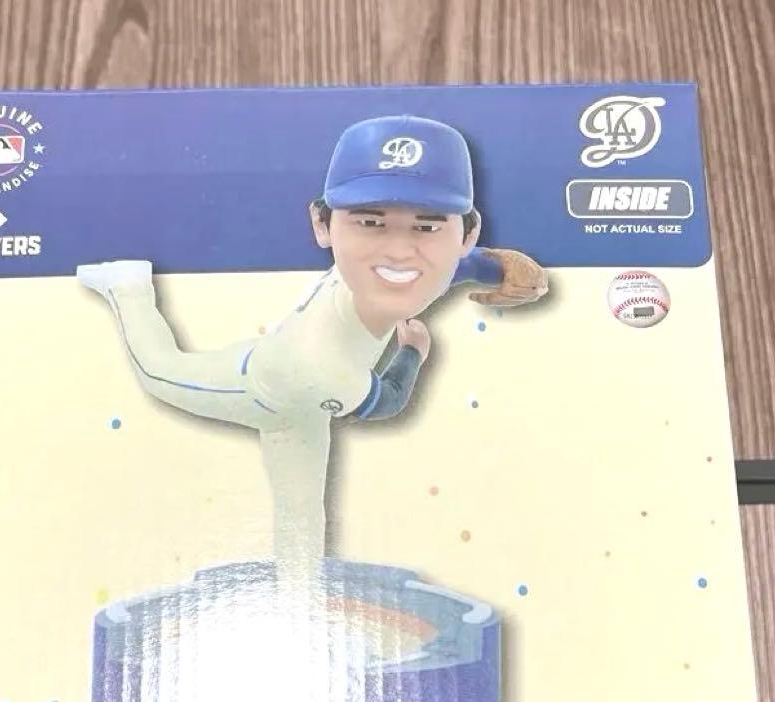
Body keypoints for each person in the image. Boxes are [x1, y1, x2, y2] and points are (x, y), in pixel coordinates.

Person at [78, 115, 547, 577]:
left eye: (427, 227)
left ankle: (300, 601)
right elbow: (386, 401)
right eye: (371, 222)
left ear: (467, 234)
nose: (400, 251)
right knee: (157, 371)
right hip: (267, 388)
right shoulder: (323, 361)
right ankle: (128, 286)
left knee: (301, 513)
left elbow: (440, 271)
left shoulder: (384, 268)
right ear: (323, 225)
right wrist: (413, 352)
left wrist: (497, 269)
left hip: (301, 389)